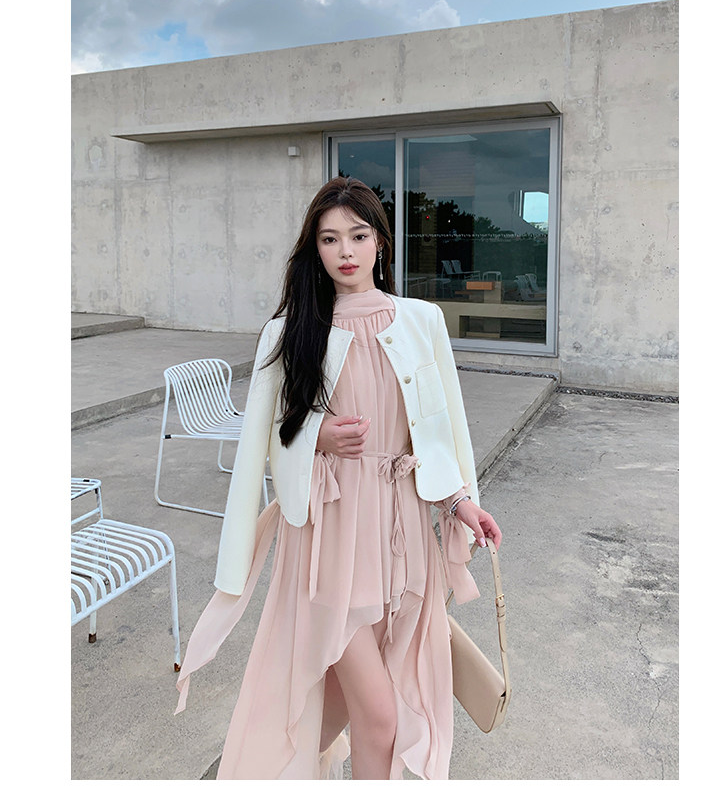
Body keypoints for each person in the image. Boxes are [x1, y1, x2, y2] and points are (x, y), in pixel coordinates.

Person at [175, 176, 502, 780]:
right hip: (329, 541)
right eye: (329, 239)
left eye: (358, 235)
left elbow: (438, 431)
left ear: (380, 242)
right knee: (380, 718)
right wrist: (315, 434)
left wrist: (462, 503)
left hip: (400, 537)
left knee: (339, 701)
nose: (345, 251)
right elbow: (264, 439)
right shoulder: (290, 330)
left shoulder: (423, 321)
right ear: (315, 249)